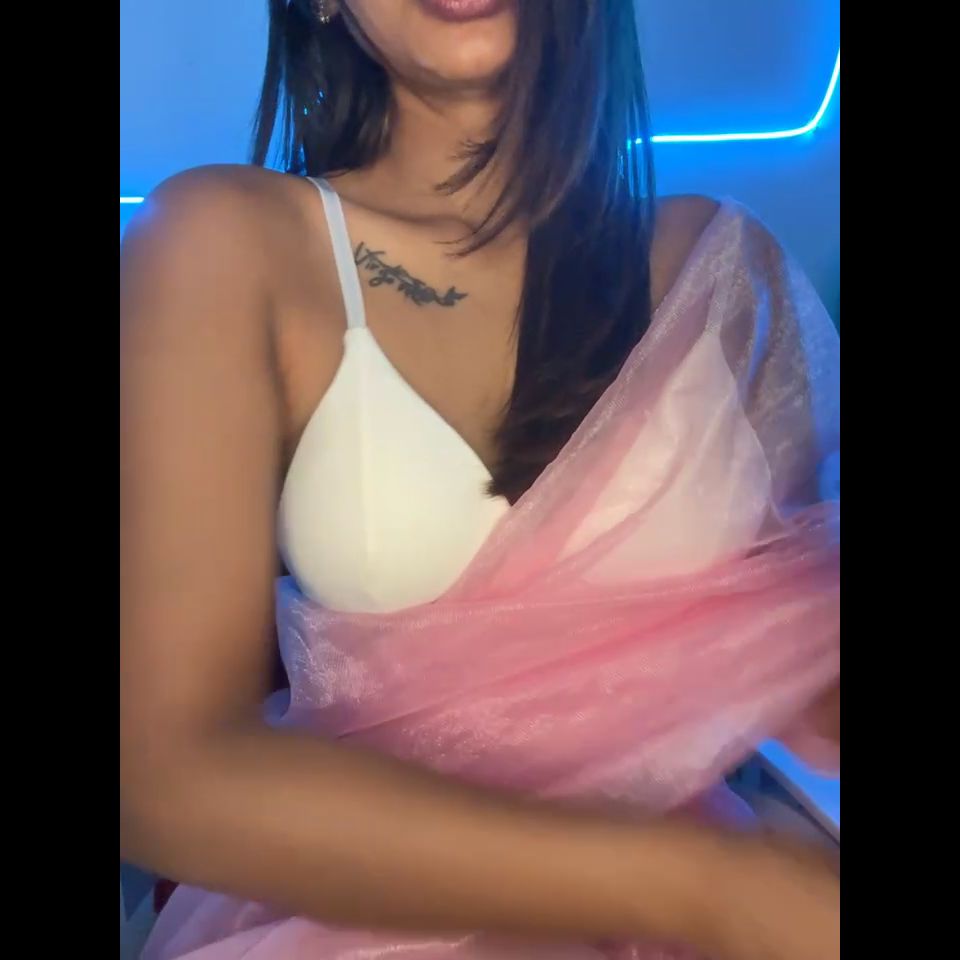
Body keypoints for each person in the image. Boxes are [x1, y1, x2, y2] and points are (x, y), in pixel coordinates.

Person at [120, 1, 841, 958]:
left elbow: (796, 647)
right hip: (374, 916)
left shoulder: (722, 263)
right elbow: (165, 774)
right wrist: (700, 888)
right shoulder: (228, 241)